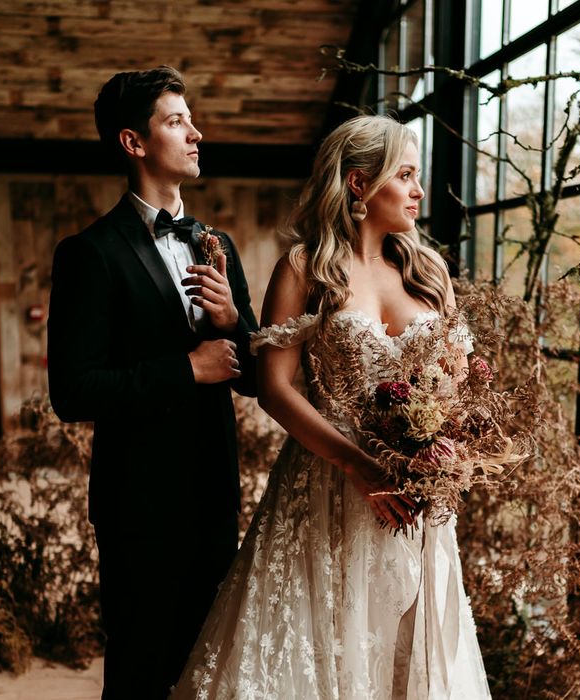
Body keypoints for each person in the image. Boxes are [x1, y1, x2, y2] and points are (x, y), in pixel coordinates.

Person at [171, 114, 490, 699]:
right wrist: (358, 465)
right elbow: (274, 387)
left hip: (413, 498)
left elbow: (460, 382)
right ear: (358, 183)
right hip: (324, 486)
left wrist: (441, 446)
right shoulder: (303, 268)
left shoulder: (430, 271)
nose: (419, 191)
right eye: (407, 175)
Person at [46, 66, 258, 699]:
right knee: (140, 671)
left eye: (191, 120)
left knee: (209, 669)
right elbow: (74, 390)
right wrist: (186, 369)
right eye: (176, 121)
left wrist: (233, 323)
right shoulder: (89, 253)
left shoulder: (216, 243)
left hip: (215, 493)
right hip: (139, 504)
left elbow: (248, 377)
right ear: (133, 143)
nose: (196, 133)